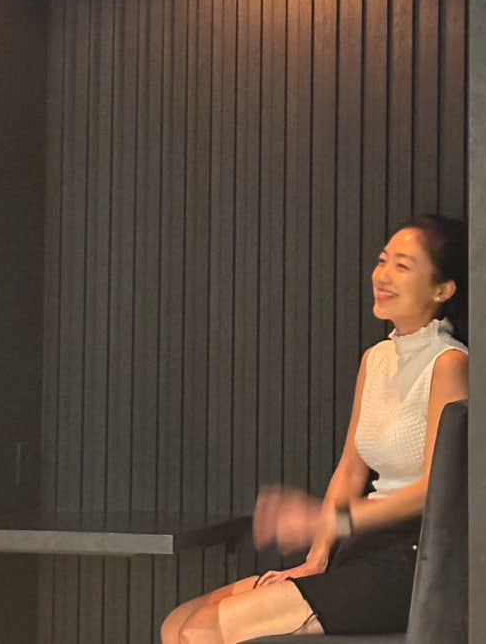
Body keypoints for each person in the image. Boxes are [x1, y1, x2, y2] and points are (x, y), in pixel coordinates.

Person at [161, 214, 469, 643]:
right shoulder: (376, 359)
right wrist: (317, 554)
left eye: (403, 266)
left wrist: (325, 519)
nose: (383, 275)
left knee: (204, 631)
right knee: (178, 622)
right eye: (383, 260)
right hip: (359, 548)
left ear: (442, 290)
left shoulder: (449, 363)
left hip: (409, 562)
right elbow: (351, 470)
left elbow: (435, 490)